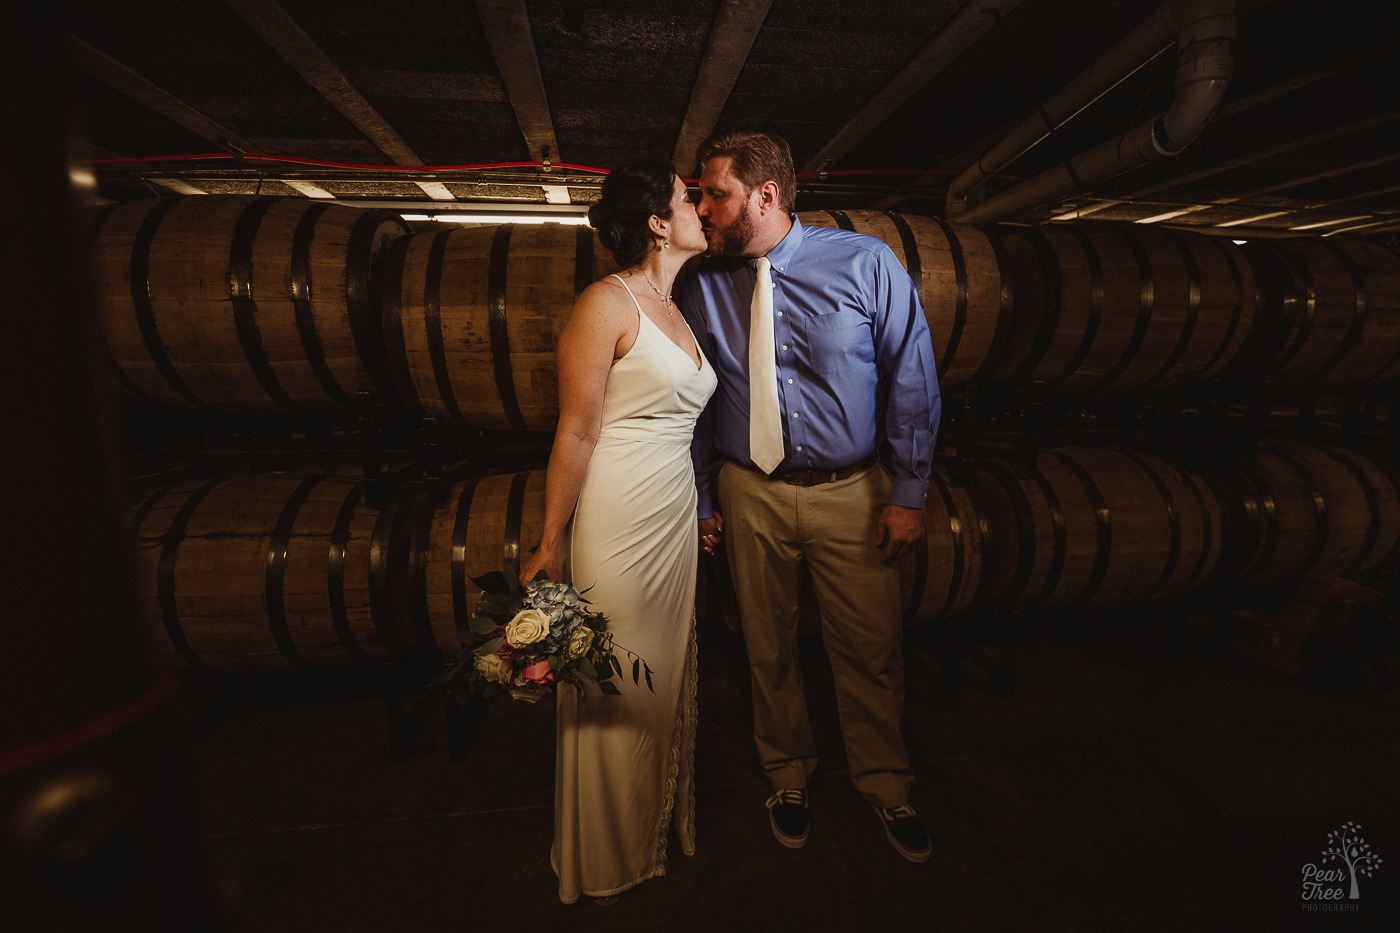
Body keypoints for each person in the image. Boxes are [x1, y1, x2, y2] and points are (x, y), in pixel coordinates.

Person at [681, 131, 941, 863]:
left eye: (716, 194)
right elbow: (698, 403)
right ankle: (788, 772)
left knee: (870, 645)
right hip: (748, 490)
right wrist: (705, 496)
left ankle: (886, 780)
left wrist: (910, 490)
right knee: (765, 646)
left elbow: (912, 377)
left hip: (852, 492)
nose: (704, 209)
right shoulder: (705, 282)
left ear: (765, 196)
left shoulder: (865, 263)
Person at [518, 160, 715, 905]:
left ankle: (651, 826)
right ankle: (603, 855)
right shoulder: (606, 303)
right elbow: (575, 431)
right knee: (612, 682)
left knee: (660, 679)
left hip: (669, 515)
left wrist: (696, 509)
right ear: (658, 223)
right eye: (684, 198)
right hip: (620, 516)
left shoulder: (675, 301)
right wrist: (548, 540)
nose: (698, 207)